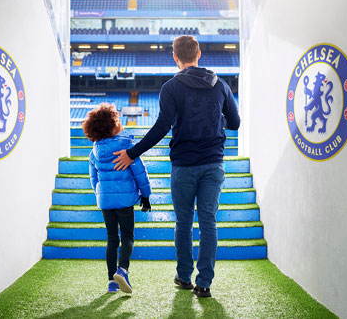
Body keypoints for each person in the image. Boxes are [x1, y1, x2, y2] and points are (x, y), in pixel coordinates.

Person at [112, 35, 240, 298]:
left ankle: (184, 277)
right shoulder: (221, 85)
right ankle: (204, 283)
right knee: (208, 223)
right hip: (214, 164)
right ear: (199, 54)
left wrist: (132, 153)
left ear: (175, 57)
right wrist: (215, 119)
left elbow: (161, 127)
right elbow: (235, 123)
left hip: (183, 166)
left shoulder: (171, 87)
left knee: (183, 222)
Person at [83, 103, 152, 294]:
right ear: (111, 126)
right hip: (125, 201)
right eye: (117, 120)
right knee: (128, 236)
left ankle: (111, 282)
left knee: (112, 239)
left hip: (105, 201)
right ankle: (122, 269)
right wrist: (145, 196)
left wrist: (101, 194)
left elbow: (93, 178)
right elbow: (140, 173)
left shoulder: (94, 152)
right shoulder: (127, 147)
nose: (121, 123)